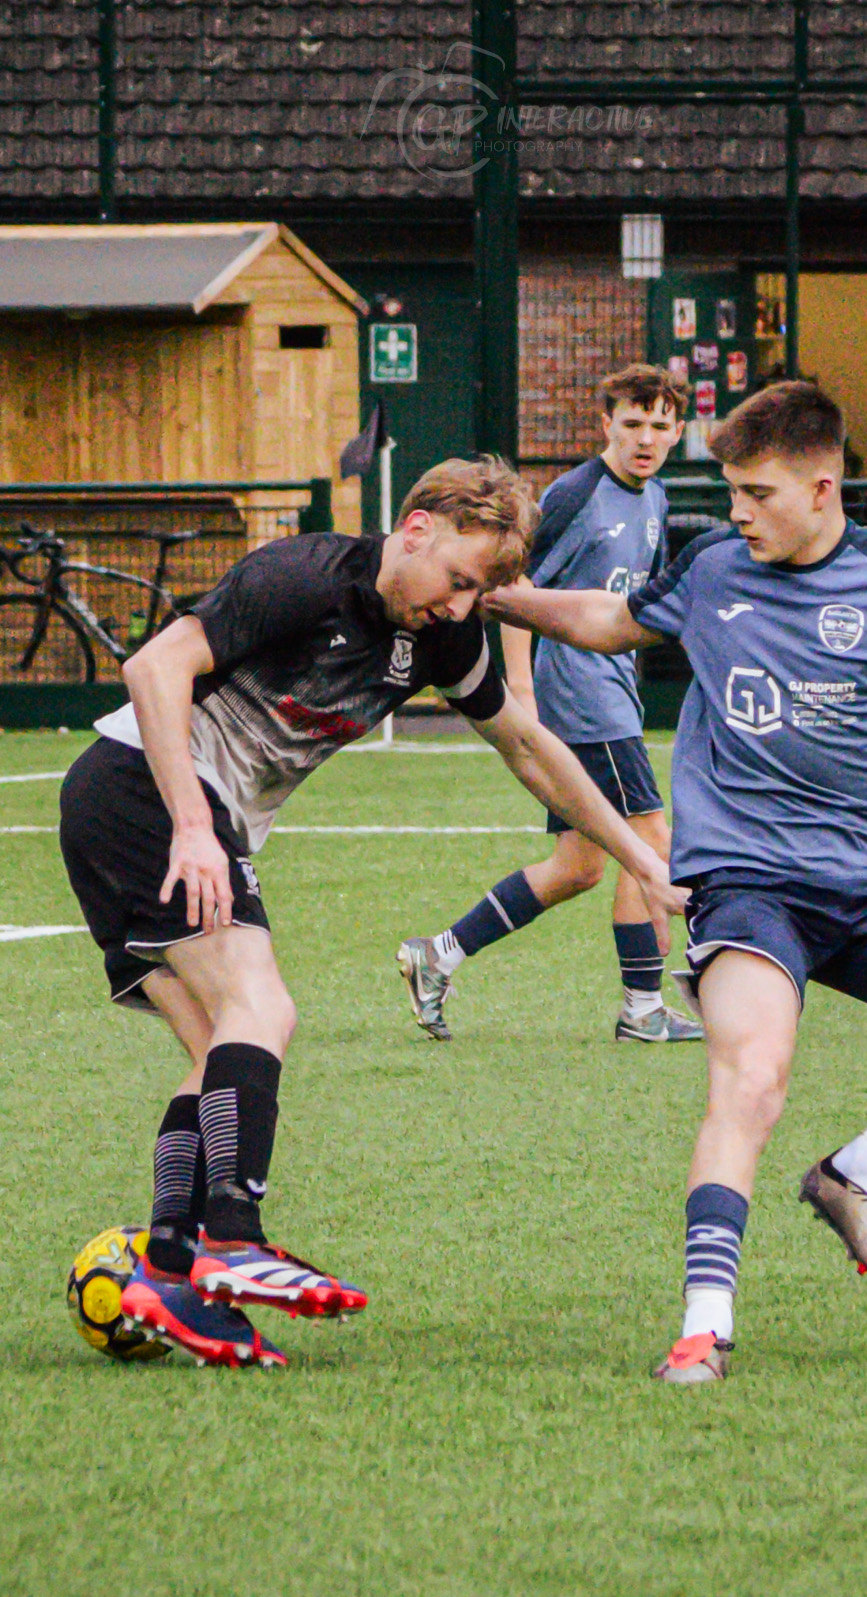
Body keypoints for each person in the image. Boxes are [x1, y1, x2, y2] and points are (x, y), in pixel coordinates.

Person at [484, 382, 867, 1385]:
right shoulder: (714, 562)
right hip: (745, 886)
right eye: (730, 489)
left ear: (822, 488)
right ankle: (704, 1323)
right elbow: (610, 617)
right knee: (753, 1075)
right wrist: (506, 597)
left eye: (757, 492)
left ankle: (857, 1171)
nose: (736, 510)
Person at [60, 457, 689, 1368]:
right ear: (417, 527)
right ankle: (233, 1240)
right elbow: (154, 665)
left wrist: (643, 857)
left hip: (141, 811)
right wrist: (194, 825)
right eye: (461, 581)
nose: (463, 606)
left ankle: (168, 1268)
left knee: (218, 1051)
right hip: (144, 791)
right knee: (263, 1008)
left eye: (482, 594)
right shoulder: (304, 576)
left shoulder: (442, 638)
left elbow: (529, 745)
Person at [396, 364, 704, 1044]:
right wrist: (520, 691)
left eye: (659, 426)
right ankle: (643, 1007)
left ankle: (436, 955)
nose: (645, 438)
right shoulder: (577, 493)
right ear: (606, 425)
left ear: (678, 431)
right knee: (650, 841)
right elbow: (508, 585)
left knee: (579, 867)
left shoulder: (654, 498)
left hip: (611, 686)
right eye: (631, 424)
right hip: (580, 693)